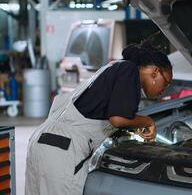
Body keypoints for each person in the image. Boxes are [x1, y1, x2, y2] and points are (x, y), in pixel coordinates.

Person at [25, 41, 173, 195]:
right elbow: (117, 119)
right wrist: (148, 121)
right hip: (62, 150)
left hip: (41, 142)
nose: (164, 90)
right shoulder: (129, 70)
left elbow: (97, 115)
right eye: (166, 82)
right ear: (155, 72)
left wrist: (130, 129)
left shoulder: (113, 67)